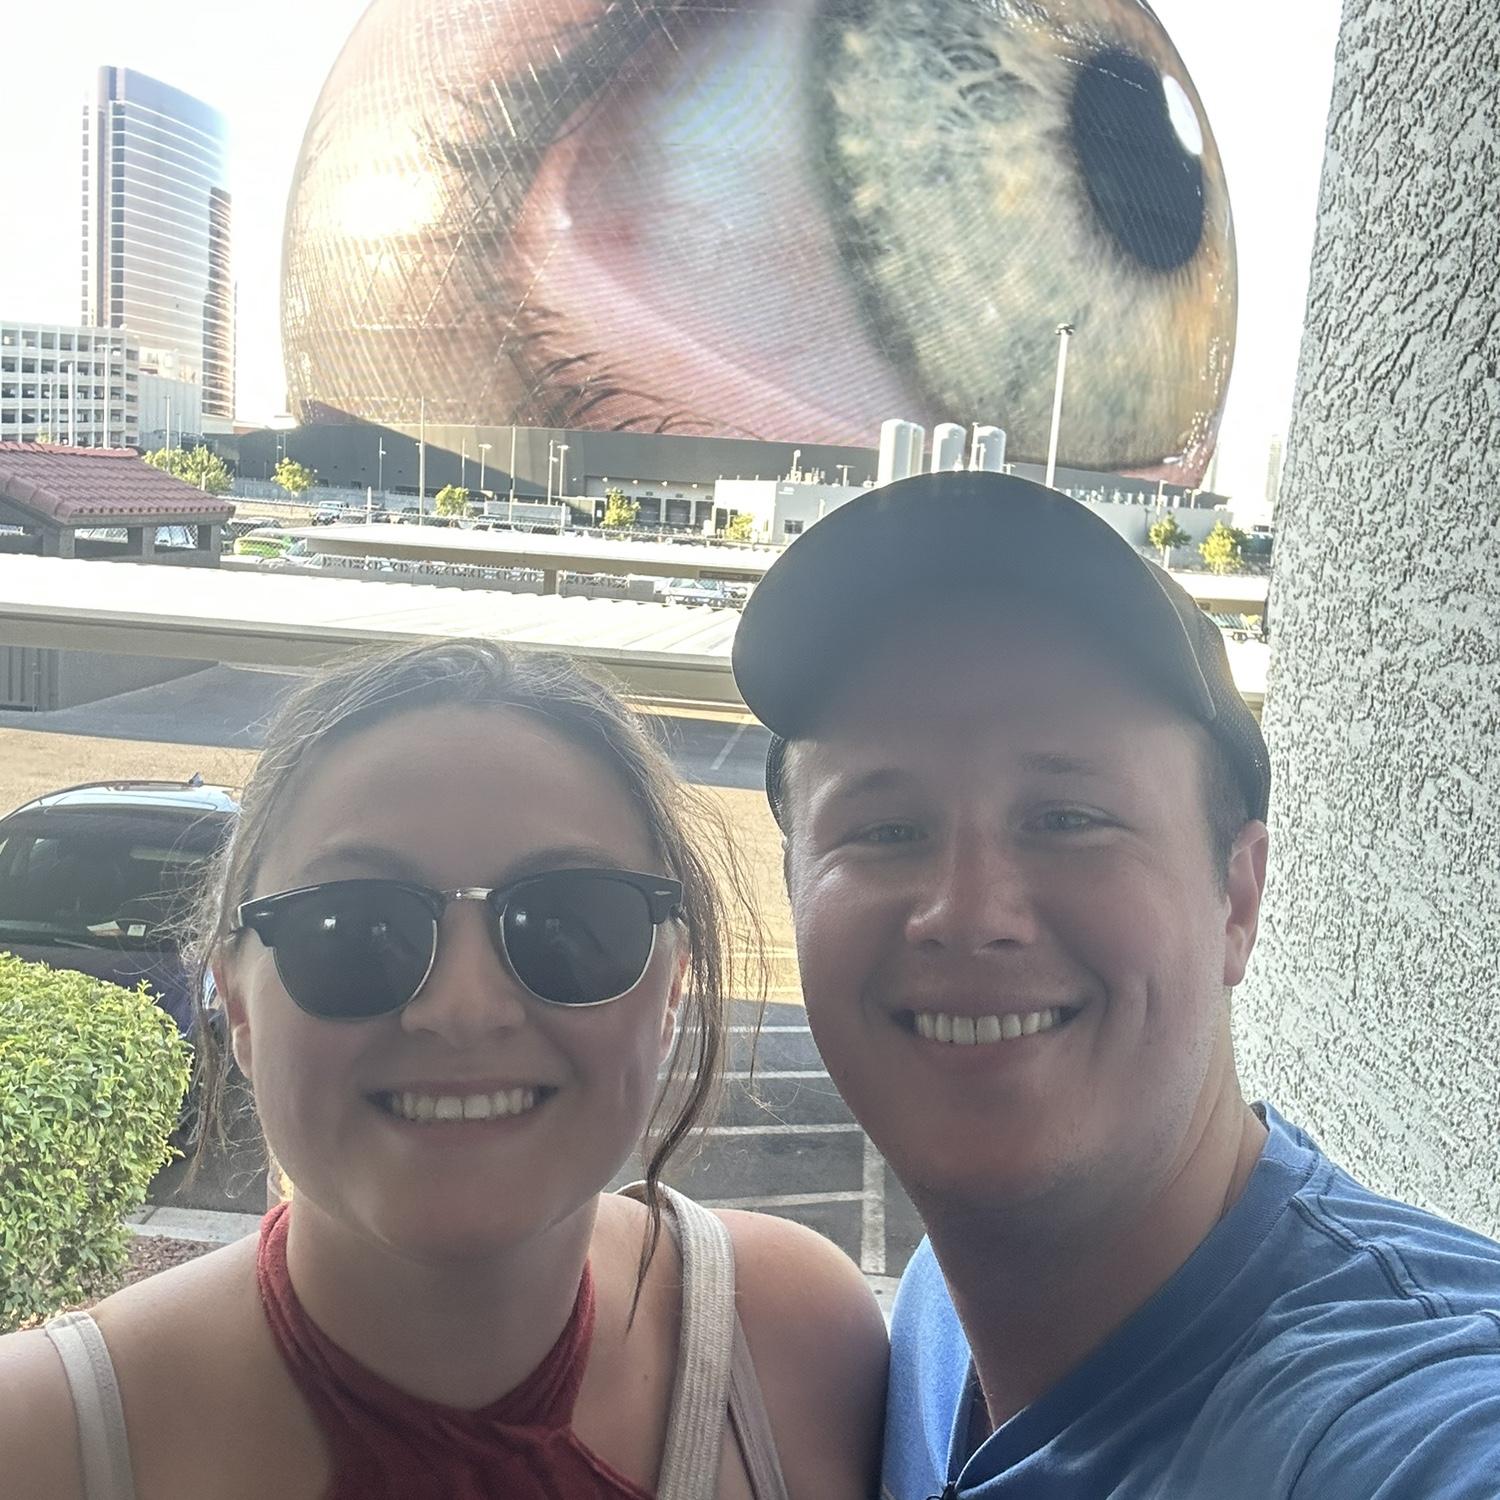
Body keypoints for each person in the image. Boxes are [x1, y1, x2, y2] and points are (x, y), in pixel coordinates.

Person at [731, 470, 1500, 1498]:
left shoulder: (1401, 1426)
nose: (968, 910)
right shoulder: (939, 1316)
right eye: (885, 829)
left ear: (1236, 899)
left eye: (1067, 818)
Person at [0, 640, 887, 1499]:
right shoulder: (35, 1443)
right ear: (235, 1001)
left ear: (671, 990)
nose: (463, 1008)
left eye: (569, 923)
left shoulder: (794, 1341)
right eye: (351, 929)